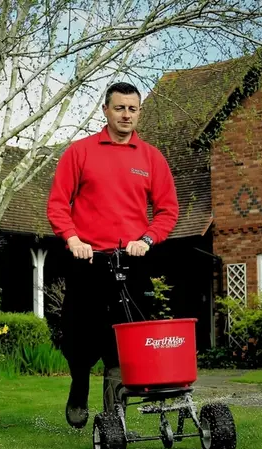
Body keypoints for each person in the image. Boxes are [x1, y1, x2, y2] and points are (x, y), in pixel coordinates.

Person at [46, 81, 179, 428]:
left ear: (139, 112)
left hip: (131, 260)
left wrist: (147, 240)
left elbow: (167, 210)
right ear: (105, 110)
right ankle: (78, 385)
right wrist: (73, 240)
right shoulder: (80, 152)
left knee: (124, 336)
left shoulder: (151, 158)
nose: (126, 114)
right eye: (119, 108)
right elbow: (58, 205)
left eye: (132, 109)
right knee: (78, 332)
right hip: (88, 260)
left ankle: (112, 415)